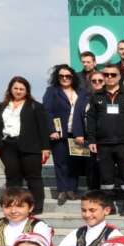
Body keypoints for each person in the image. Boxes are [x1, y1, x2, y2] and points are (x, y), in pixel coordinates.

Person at [0, 76, 51, 214]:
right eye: (15, 88)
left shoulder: (35, 106)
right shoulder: (3, 106)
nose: (18, 91)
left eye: (21, 89)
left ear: (27, 90)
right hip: (8, 146)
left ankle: (36, 208)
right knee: (12, 178)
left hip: (31, 146)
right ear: (10, 89)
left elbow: (43, 128)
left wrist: (45, 148)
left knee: (33, 178)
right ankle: (14, 206)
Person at [86, 64, 124, 216]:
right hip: (103, 144)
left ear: (119, 77)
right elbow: (91, 119)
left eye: (113, 75)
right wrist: (92, 140)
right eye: (106, 75)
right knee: (106, 178)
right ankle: (109, 206)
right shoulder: (96, 96)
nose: (109, 77)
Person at [49, 190, 121, 246]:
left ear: (106, 210)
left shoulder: (114, 235)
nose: (87, 215)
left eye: (92, 210)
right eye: (84, 210)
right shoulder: (78, 232)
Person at [43, 64, 86, 205]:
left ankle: (72, 189)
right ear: (57, 77)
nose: (64, 78)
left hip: (77, 133)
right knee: (60, 162)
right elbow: (47, 112)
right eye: (61, 76)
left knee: (75, 162)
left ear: (73, 77)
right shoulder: (52, 91)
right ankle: (62, 190)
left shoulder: (81, 92)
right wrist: (51, 130)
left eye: (68, 76)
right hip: (59, 133)